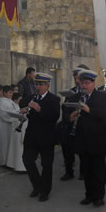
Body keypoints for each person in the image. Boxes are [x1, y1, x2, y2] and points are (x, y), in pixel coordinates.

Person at [71, 70, 106, 207]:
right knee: (86, 170)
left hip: (97, 140)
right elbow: (66, 113)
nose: (84, 86)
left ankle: (99, 196)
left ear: (93, 83)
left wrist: (89, 110)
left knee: (98, 170)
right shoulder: (76, 97)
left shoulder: (103, 97)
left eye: (87, 83)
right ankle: (89, 195)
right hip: (82, 140)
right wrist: (70, 117)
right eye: (82, 83)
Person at [23, 72, 60, 202]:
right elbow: (25, 111)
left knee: (46, 165)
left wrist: (40, 110)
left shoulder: (54, 99)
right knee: (27, 160)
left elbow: (54, 117)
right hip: (32, 136)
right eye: (36, 84)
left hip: (46, 137)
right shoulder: (31, 97)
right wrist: (22, 111)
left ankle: (45, 190)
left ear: (47, 86)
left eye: (41, 84)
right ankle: (38, 186)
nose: (38, 87)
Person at [59, 67, 86, 181]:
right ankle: (69, 171)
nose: (76, 79)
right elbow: (65, 107)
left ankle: (83, 172)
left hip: (83, 125)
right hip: (70, 124)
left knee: (83, 151)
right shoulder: (70, 92)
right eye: (75, 77)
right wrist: (68, 118)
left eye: (78, 76)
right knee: (67, 149)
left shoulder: (86, 91)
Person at [6, 92, 27, 172]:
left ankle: (14, 165)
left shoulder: (17, 108)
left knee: (16, 150)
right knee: (19, 151)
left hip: (17, 132)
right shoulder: (16, 108)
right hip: (19, 132)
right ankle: (20, 168)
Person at [0, 86, 16, 166]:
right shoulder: (2, 102)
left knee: (8, 144)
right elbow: (3, 115)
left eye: (12, 92)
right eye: (10, 93)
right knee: (3, 144)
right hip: (3, 126)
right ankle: (2, 162)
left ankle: (9, 161)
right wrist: (14, 118)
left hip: (10, 126)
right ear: (4, 93)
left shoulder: (10, 101)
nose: (11, 94)